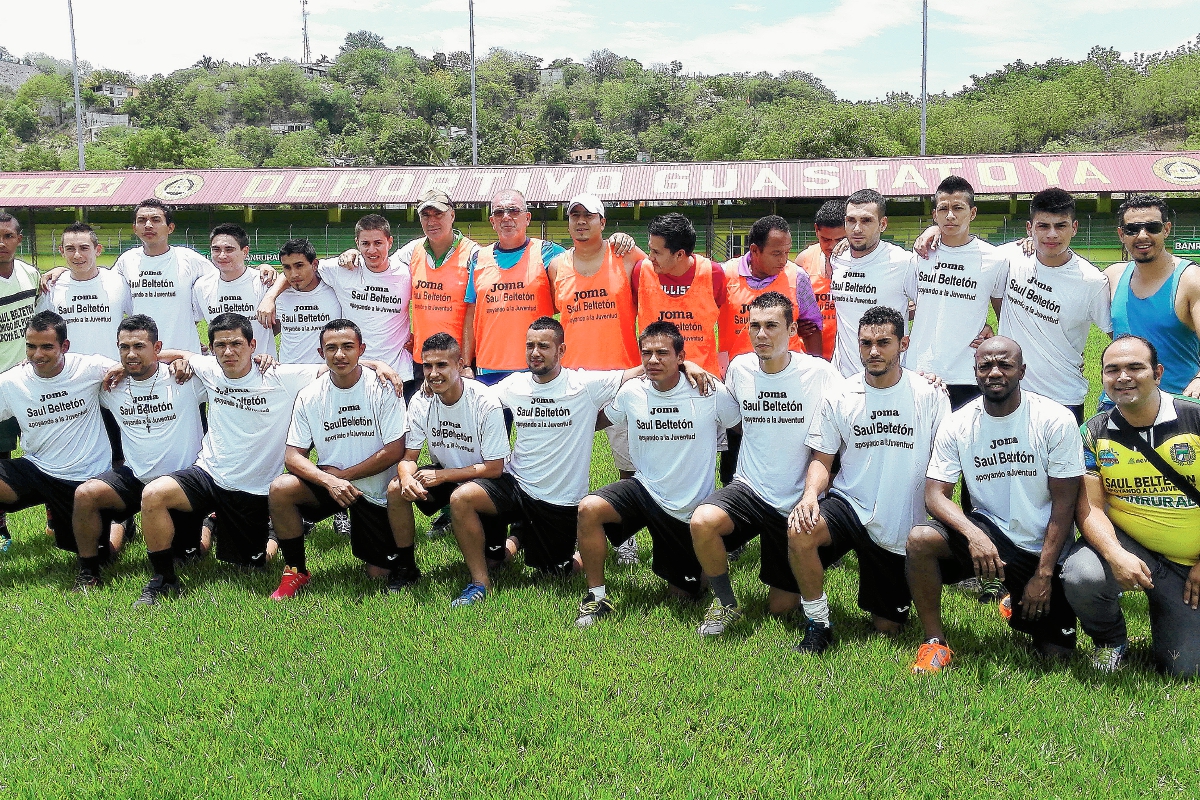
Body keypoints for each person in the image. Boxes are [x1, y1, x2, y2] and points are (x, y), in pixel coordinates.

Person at [133, 313, 401, 606]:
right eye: (220, 345)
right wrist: (126, 368)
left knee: (252, 565)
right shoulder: (209, 368)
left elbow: (336, 364)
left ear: (252, 345)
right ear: (211, 349)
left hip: (254, 489)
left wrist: (379, 365)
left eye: (236, 344)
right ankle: (163, 579)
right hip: (209, 474)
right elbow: (172, 354)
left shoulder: (280, 376)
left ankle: (262, 533)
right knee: (154, 494)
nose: (228, 352)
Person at [445, 316, 703, 606]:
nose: (535, 353)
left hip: (558, 501)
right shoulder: (514, 385)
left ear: (561, 350)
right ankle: (480, 582)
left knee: (557, 573)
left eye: (544, 346)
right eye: (530, 345)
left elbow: (643, 370)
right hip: (516, 485)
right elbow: (473, 397)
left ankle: (527, 541)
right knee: (462, 499)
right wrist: (442, 381)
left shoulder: (584, 385)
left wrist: (687, 365)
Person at [905, 337, 1084, 674]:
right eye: (985, 366)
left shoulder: (1054, 419)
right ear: (975, 372)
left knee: (1056, 655)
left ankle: (1014, 597)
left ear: (1022, 371)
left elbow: (1064, 505)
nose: (995, 372)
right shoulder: (958, 423)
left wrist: (1043, 575)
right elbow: (935, 495)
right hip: (989, 534)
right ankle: (934, 642)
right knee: (920, 539)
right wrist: (974, 535)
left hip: (1042, 548)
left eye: (1005, 365)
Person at [787, 305, 949, 655]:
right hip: (850, 504)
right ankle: (818, 623)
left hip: (899, 523)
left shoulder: (929, 394)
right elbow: (822, 458)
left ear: (903, 344)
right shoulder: (840, 395)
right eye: (865, 343)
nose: (873, 351)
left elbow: (945, 464)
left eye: (883, 343)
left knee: (888, 626)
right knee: (800, 530)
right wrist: (810, 495)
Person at [689, 291, 841, 636]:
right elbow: (733, 416)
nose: (761, 334)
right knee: (703, 521)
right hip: (750, 488)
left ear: (791, 330)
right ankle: (725, 603)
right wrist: (689, 364)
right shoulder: (740, 368)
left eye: (771, 326)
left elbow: (855, 405)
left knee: (780, 607)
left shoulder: (819, 373)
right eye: (754, 326)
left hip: (795, 500)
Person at [573, 321, 741, 627]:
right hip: (644, 490)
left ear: (681, 357)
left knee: (686, 595)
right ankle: (596, 597)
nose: (653, 360)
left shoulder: (708, 391)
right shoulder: (631, 392)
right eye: (646, 353)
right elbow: (596, 421)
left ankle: (701, 572)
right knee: (589, 508)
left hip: (688, 509)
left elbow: (744, 428)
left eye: (662, 353)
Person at [1063, 335, 1200, 676]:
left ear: (1158, 373)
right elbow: (1091, 508)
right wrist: (1114, 554)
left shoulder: (1195, 417)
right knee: (1082, 574)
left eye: (1135, 367)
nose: (1123, 377)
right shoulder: (1092, 433)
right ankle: (1110, 640)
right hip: (1131, 544)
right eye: (1113, 370)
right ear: (1102, 378)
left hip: (1191, 562)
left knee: (1185, 668)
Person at [269, 319, 410, 599]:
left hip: (374, 492)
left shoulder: (383, 387)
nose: (340, 355)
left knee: (378, 573)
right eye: (331, 348)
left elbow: (395, 450)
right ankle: (295, 570)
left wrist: (342, 477)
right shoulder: (309, 395)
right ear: (320, 353)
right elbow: (292, 456)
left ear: (361, 350)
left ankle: (392, 555)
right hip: (333, 486)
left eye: (348, 347)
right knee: (281, 489)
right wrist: (328, 481)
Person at [72, 315, 211, 590]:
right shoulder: (111, 386)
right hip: (135, 477)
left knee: (189, 557)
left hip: (181, 485)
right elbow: (65, 375)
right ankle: (89, 571)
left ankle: (208, 524)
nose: (131, 354)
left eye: (139, 346)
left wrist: (182, 359)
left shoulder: (184, 379)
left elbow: (224, 367)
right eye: (124, 347)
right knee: (85, 494)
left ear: (157, 347)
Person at [549, 192, 643, 561]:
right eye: (574, 215)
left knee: (628, 462)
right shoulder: (557, 266)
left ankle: (625, 536)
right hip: (575, 379)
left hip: (623, 375)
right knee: (571, 462)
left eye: (589, 216)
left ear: (603, 222)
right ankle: (573, 530)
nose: (581, 222)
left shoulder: (626, 256)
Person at [0, 312, 120, 583]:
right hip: (37, 470)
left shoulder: (90, 368)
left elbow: (138, 366)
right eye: (31, 346)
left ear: (64, 346)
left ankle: (119, 525)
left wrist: (178, 360)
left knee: (102, 556)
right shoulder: (12, 382)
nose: (37, 354)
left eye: (46, 347)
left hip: (84, 480)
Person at [717, 214, 824, 487]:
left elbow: (812, 326)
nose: (784, 260)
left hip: (787, 383)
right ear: (754, 250)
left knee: (787, 454)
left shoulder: (796, 277)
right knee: (735, 456)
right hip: (740, 384)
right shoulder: (724, 275)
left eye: (787, 252)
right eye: (777, 253)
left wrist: (814, 372)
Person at [388, 332, 510, 567]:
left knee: (495, 563)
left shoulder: (484, 401)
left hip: (487, 482)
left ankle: (516, 537)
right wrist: (406, 478)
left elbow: (495, 468)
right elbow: (409, 457)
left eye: (441, 365)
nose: (433, 373)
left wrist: (443, 475)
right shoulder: (421, 401)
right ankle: (405, 567)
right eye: (428, 366)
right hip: (447, 476)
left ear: (460, 364)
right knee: (395, 488)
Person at [996, 189, 1111, 423]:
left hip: (1064, 396)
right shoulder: (1009, 257)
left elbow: (1115, 335)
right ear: (1029, 228)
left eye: (1060, 226)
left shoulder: (1092, 281)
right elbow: (965, 252)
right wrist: (934, 229)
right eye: (1043, 226)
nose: (1052, 234)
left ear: (1074, 228)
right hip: (1011, 392)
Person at [906, 177, 1009, 412]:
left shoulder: (994, 259)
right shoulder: (920, 255)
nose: (950, 215)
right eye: (943, 209)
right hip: (920, 370)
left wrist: (994, 340)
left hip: (968, 373)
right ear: (934, 214)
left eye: (958, 208)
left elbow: (1004, 313)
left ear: (972, 213)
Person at [1106, 195, 1200, 400]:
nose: (1142, 235)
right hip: (1120, 401)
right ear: (1121, 234)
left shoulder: (1190, 280)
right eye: (1132, 229)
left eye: (1152, 227)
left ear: (1166, 229)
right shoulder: (1113, 277)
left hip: (1176, 401)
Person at [467, 190, 562, 384]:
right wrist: (466, 364)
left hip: (537, 367)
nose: (506, 217)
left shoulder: (549, 252)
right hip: (490, 367)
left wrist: (615, 241)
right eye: (499, 212)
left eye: (513, 210)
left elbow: (587, 259)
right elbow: (471, 314)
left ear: (527, 218)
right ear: (492, 221)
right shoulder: (478, 258)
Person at [829, 190, 914, 377]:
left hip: (888, 377)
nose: (857, 229)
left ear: (882, 224)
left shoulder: (903, 262)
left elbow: (931, 308)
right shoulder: (837, 258)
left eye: (866, 221)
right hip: (843, 379)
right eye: (851, 220)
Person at [634, 213, 726, 377]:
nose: (650, 257)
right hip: (655, 378)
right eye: (650, 249)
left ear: (679, 254)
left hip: (703, 378)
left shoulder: (712, 273)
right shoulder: (641, 272)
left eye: (656, 252)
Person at [0, 212, 41, 550]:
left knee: (45, 449)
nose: (1, 243)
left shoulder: (31, 275)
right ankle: (0, 526)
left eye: (8, 236)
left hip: (29, 383)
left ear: (19, 239)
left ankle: (57, 515)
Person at [38, 223, 131, 361]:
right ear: (62, 251)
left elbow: (139, 322)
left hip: (112, 368)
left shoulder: (118, 282)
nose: (77, 255)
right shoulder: (51, 287)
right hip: (68, 371)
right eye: (70, 249)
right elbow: (40, 332)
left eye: (84, 248)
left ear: (98, 250)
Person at [193, 223, 278, 359]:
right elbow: (190, 321)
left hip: (261, 366)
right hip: (221, 367)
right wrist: (195, 344)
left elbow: (280, 323)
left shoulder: (264, 282)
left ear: (245, 251)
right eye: (216, 249)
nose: (222, 255)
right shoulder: (202, 286)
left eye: (229, 250)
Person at [268, 238, 343, 366]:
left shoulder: (335, 289)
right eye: (287, 267)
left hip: (326, 371)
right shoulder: (279, 294)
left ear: (314, 264)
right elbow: (272, 330)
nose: (293, 274)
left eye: (299, 266)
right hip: (289, 371)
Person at [793, 200, 846, 362]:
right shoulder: (804, 260)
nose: (832, 246)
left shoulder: (862, 263)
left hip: (848, 358)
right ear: (816, 230)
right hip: (810, 357)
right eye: (826, 239)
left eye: (840, 240)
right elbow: (789, 306)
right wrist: (795, 325)